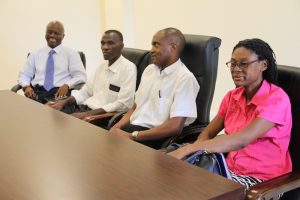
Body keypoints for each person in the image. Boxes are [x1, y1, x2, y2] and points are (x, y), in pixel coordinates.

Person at [168, 38, 292, 189]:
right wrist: (196, 152)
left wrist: (189, 149)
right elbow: (208, 132)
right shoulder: (232, 96)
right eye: (233, 64)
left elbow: (242, 139)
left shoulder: (276, 99)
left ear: (263, 65)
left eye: (243, 64)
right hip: (229, 169)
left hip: (261, 180)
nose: (236, 69)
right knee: (173, 169)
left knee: (189, 184)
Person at [109, 28, 200, 149]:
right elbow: (135, 107)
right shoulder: (149, 70)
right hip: (132, 130)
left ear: (173, 47)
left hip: (154, 137)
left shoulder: (184, 78)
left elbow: (175, 127)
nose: (151, 50)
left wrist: (132, 136)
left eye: (156, 45)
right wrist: (116, 128)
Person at [48, 30, 137, 125]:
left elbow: (124, 104)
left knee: (60, 125)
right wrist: (63, 102)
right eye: (103, 43)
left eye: (110, 43)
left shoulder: (128, 68)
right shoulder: (102, 66)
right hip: (84, 109)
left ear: (121, 46)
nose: (105, 47)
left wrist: (87, 114)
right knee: (49, 113)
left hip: (101, 116)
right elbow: (85, 92)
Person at [18, 20, 87, 104]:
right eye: (49, 32)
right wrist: (26, 86)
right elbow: (24, 74)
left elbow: (81, 76)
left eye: (56, 33)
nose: (52, 35)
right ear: (45, 34)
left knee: (51, 114)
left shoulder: (71, 54)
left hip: (59, 95)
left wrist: (67, 85)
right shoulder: (35, 54)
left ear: (63, 36)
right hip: (36, 94)